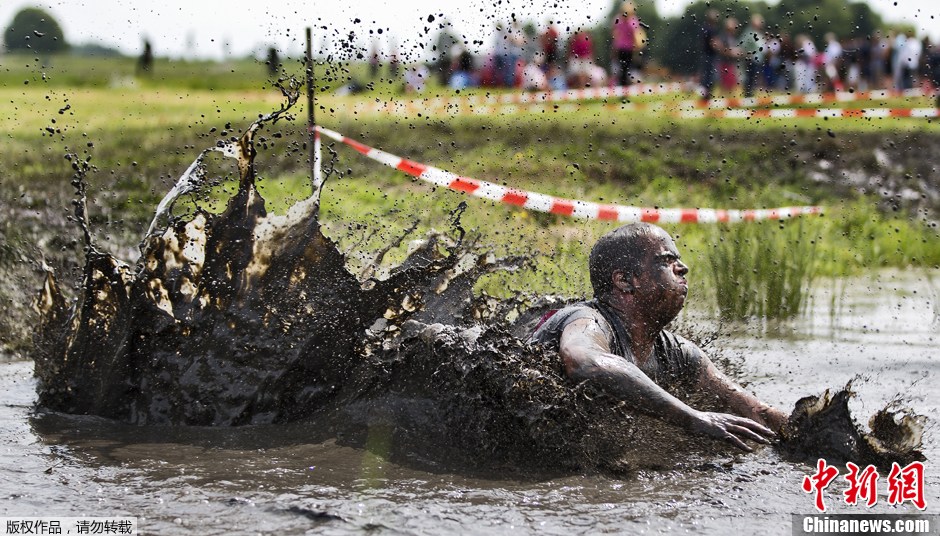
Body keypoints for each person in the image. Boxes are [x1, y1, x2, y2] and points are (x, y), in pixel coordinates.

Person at [530, 223, 788, 451]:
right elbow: (585, 362)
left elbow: (756, 412)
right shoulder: (587, 320)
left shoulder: (677, 352)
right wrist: (693, 417)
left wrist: (809, 430)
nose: (683, 268)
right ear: (625, 281)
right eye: (666, 261)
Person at [611, 1, 641, 87]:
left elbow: (615, 34)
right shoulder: (630, 21)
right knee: (624, 69)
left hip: (626, 48)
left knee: (625, 69)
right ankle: (624, 88)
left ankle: (624, 87)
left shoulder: (627, 21)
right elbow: (616, 35)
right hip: (624, 49)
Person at [700, 10, 720, 101]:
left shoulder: (705, 27)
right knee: (709, 76)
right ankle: (707, 95)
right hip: (710, 55)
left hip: (706, 54)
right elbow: (714, 43)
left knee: (706, 75)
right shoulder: (712, 29)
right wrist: (723, 49)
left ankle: (706, 95)